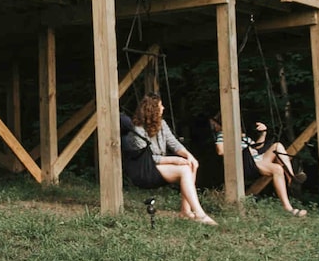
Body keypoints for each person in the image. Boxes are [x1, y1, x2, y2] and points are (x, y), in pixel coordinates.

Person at [124, 93, 217, 226]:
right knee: (184, 170)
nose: (163, 108)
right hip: (144, 170)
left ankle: (186, 211)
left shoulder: (162, 124)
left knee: (189, 165)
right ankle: (200, 214)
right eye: (160, 106)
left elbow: (173, 144)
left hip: (157, 166)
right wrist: (175, 160)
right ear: (152, 109)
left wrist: (189, 156)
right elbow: (148, 158)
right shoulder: (137, 130)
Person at [211, 116, 307, 217]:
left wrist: (263, 133)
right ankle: (288, 208)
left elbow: (258, 147)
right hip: (246, 163)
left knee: (277, 146)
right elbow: (220, 151)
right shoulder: (223, 135)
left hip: (258, 159)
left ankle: (291, 178)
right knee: (276, 168)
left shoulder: (244, 138)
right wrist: (240, 151)